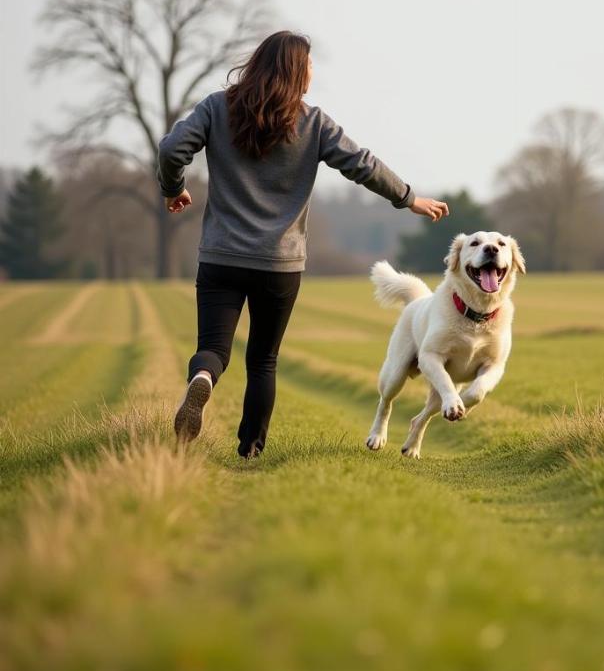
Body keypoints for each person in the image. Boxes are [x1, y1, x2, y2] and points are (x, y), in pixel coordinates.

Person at [156, 30, 448, 459]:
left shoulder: (217, 108)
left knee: (214, 348)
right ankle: (251, 449)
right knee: (263, 361)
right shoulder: (312, 123)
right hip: (280, 263)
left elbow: (170, 149)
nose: (313, 74)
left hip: (221, 257)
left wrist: (173, 187)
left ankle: (201, 378)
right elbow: (361, 164)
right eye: (310, 66)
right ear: (296, 71)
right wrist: (409, 198)